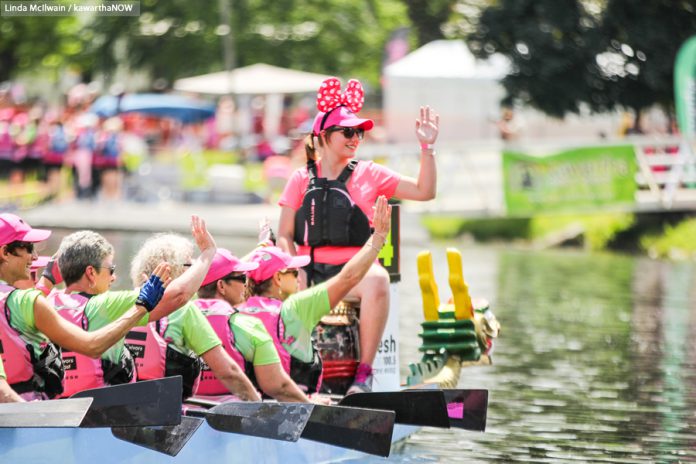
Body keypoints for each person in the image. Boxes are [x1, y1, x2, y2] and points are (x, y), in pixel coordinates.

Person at [276, 77, 438, 393]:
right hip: (309, 270)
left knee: (378, 280)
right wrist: (290, 268)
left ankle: (363, 375)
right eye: (348, 132)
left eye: (359, 132)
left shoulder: (371, 173)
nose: (355, 138)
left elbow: (424, 191)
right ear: (323, 136)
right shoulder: (299, 178)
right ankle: (285, 371)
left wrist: (427, 148)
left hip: (357, 272)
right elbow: (284, 234)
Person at [0, 213, 168, 400]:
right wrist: (141, 307)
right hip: (30, 417)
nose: (35, 257)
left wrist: (46, 282)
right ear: (5, 252)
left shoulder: (34, 300)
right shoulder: (29, 302)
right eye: (29, 248)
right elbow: (92, 346)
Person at [46, 216, 216, 397]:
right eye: (110, 270)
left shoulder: (43, 302)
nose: (114, 278)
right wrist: (207, 253)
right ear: (90, 273)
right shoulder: (105, 305)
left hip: (54, 412)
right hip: (101, 414)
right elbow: (179, 294)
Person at [248, 195, 391, 395]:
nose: (300, 276)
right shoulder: (296, 307)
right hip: (296, 403)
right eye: (294, 271)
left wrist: (262, 249)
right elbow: (349, 277)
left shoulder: (240, 308)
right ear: (278, 280)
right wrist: (379, 237)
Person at [126, 234, 260, 401]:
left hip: (121, 410)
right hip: (165, 413)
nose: (197, 272)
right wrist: (257, 407)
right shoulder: (184, 311)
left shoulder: (121, 301)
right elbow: (228, 373)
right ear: (174, 270)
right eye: (191, 265)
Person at [195, 248, 313, 402]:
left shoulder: (174, 321)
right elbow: (279, 387)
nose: (246, 285)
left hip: (184, 416)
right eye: (242, 279)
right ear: (221, 286)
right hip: (234, 418)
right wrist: (312, 407)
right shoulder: (249, 326)